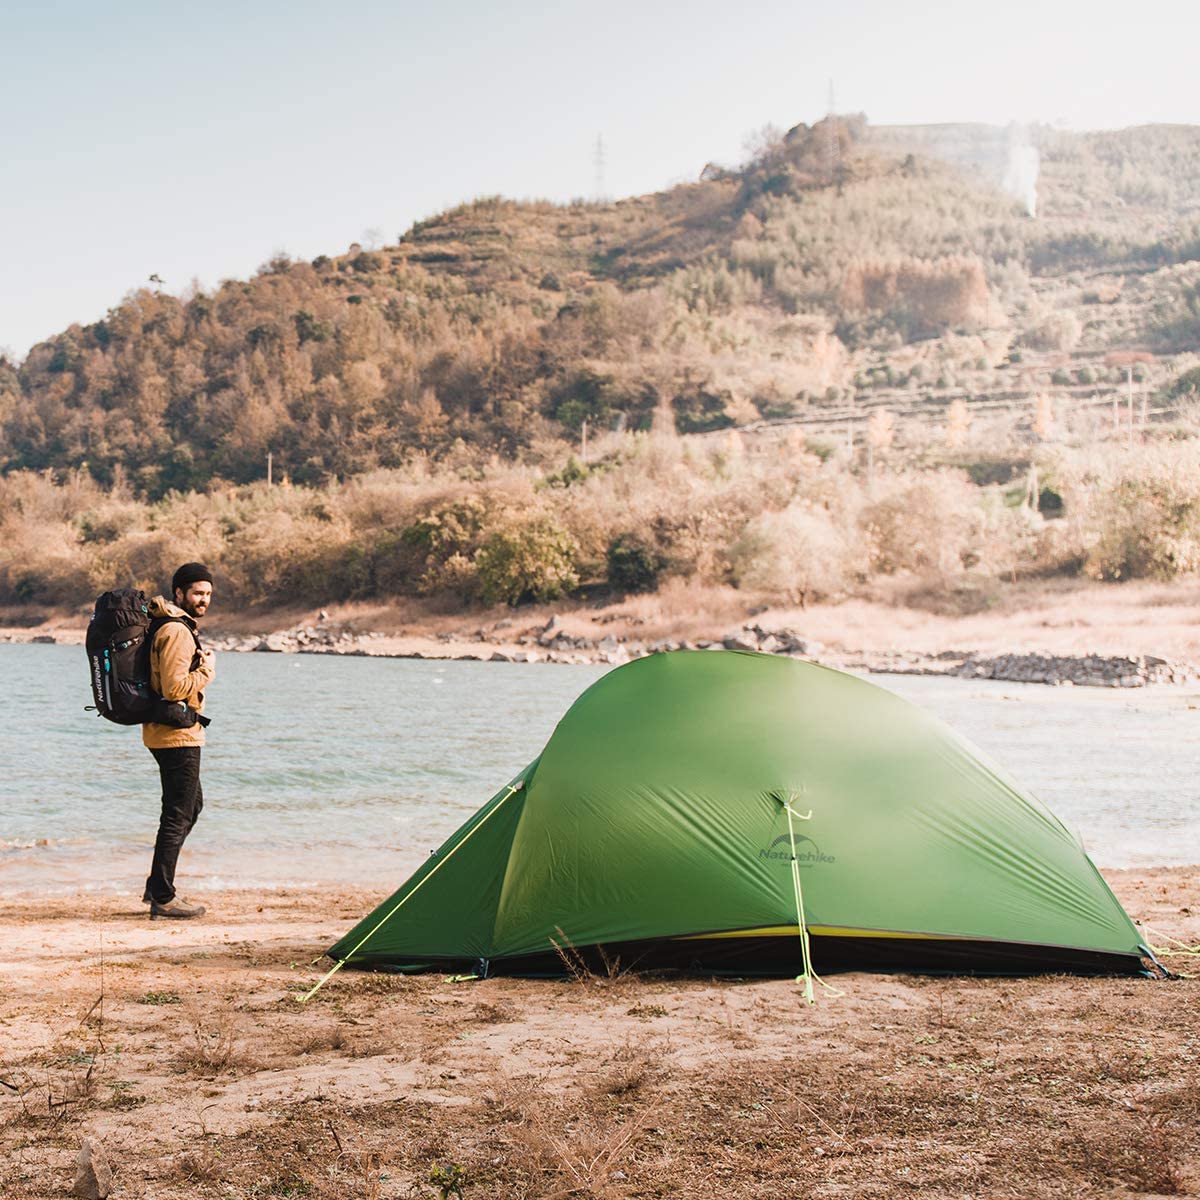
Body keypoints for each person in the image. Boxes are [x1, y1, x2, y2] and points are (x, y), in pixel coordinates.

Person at [142, 562, 217, 919]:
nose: (203, 600)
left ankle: (156, 884)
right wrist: (206, 672)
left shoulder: (173, 626)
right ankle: (163, 896)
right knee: (177, 813)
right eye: (197, 593)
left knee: (191, 806)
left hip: (171, 732)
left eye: (208, 594)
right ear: (179, 593)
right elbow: (173, 689)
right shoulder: (176, 631)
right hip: (176, 735)